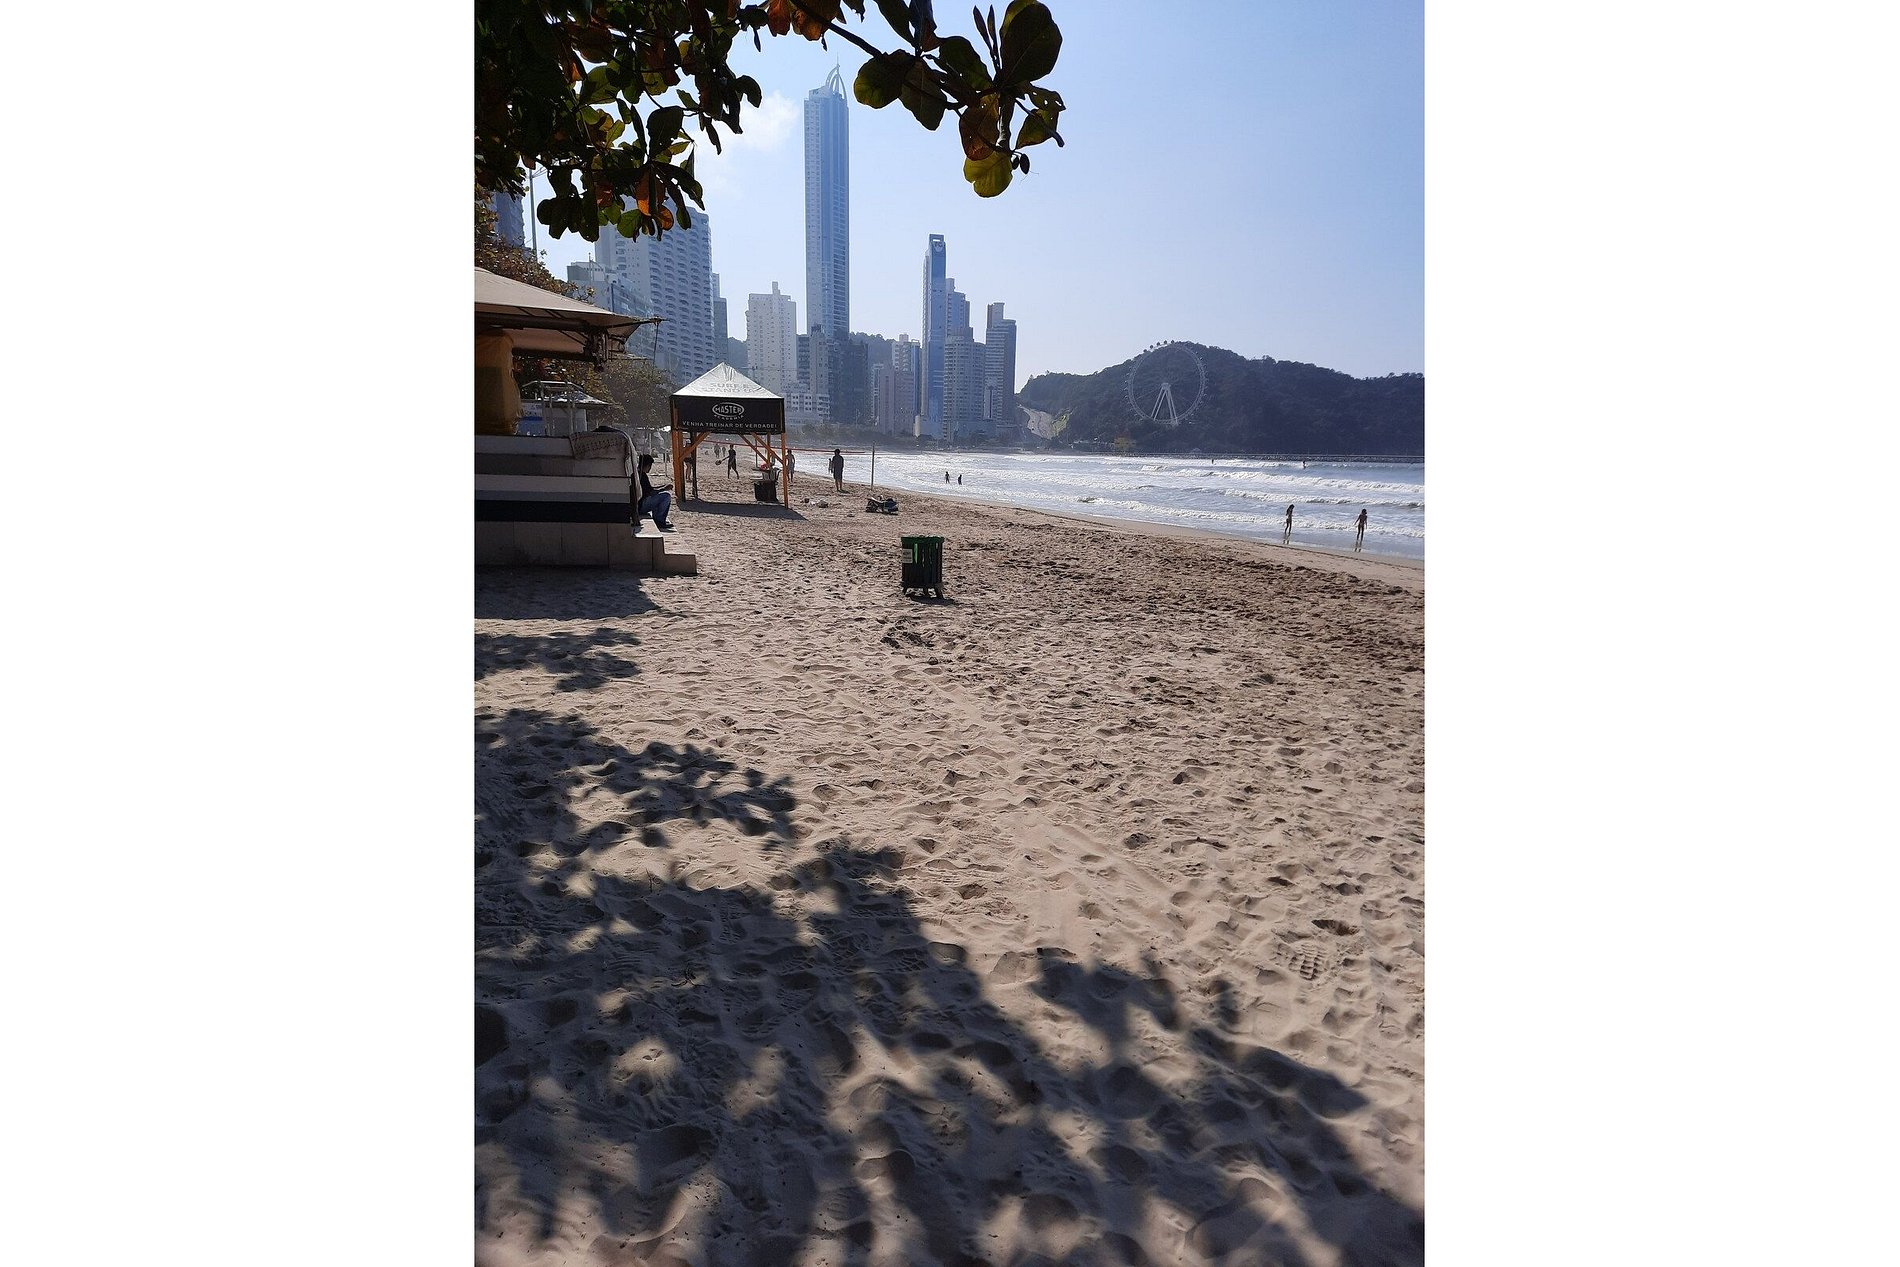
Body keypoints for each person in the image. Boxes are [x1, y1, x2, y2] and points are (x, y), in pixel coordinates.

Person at [635, 453, 673, 531]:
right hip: (641, 506)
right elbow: (651, 492)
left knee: (659, 497)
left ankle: (658, 519)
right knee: (666, 496)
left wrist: (663, 486)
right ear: (647, 465)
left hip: (638, 505)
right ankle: (659, 521)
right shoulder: (642, 475)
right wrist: (664, 489)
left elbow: (649, 489)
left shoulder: (637, 473)